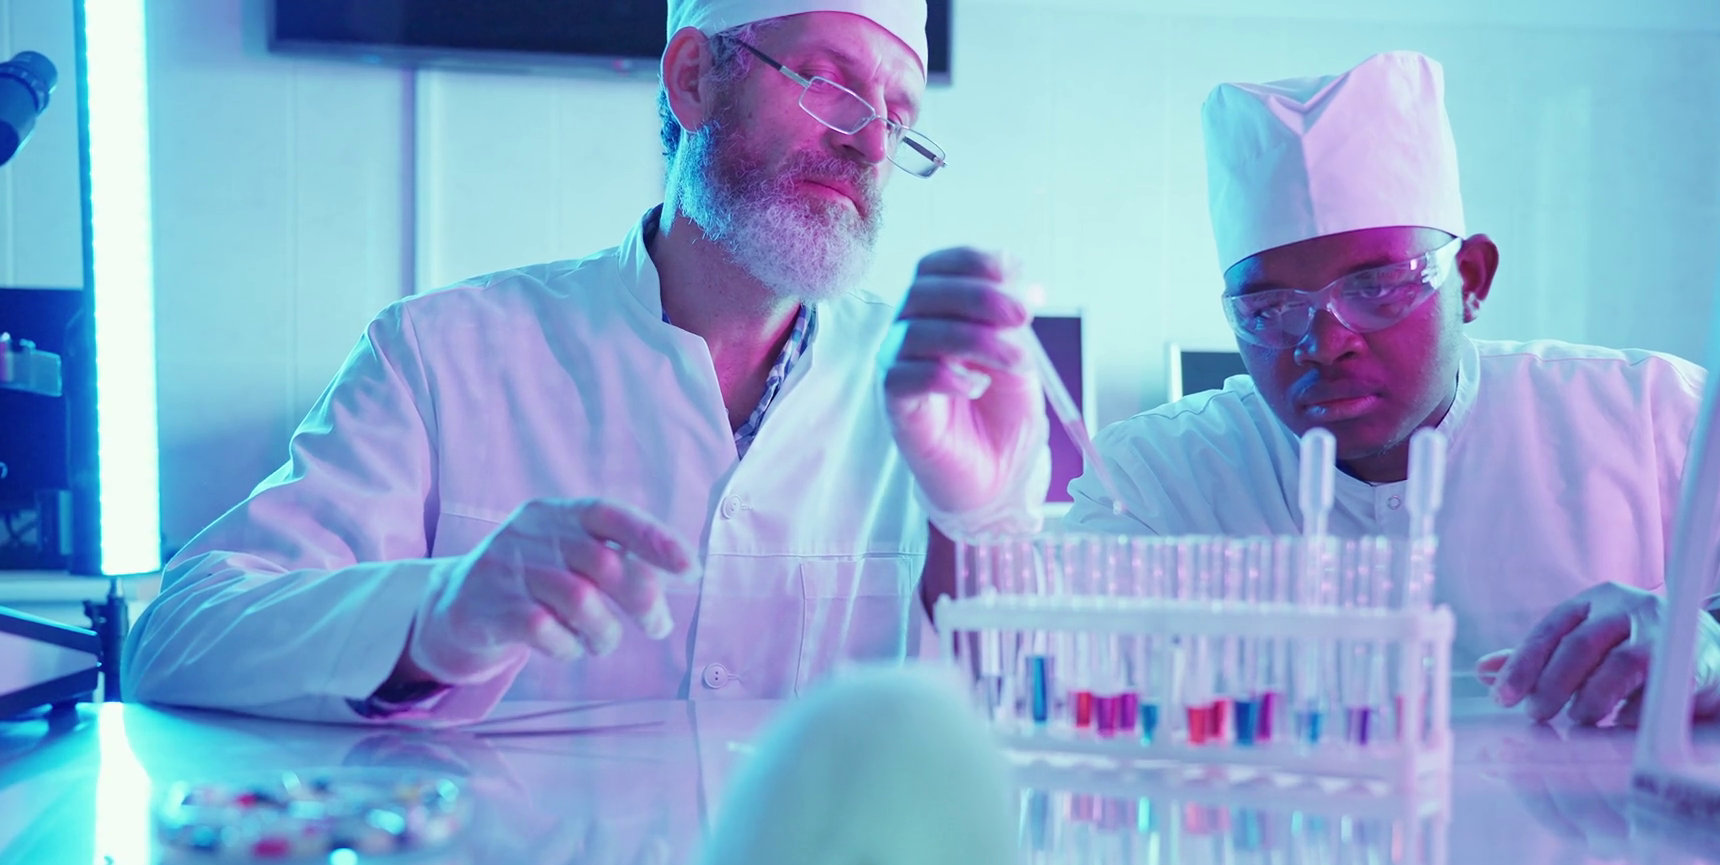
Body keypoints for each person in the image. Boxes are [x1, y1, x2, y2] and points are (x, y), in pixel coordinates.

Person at [124, 0, 1047, 721]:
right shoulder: (443, 357)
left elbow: (1040, 733)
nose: (869, 143)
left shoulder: (938, 398)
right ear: (694, 78)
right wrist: (434, 616)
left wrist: (979, 529)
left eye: (897, 116)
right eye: (825, 82)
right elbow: (176, 641)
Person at [1065, 52, 1720, 725]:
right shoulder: (1156, 481)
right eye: (1269, 309)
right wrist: (996, 511)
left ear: (1471, 280)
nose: (1322, 342)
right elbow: (1043, 675)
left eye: (1377, 286)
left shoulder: (1661, 423)